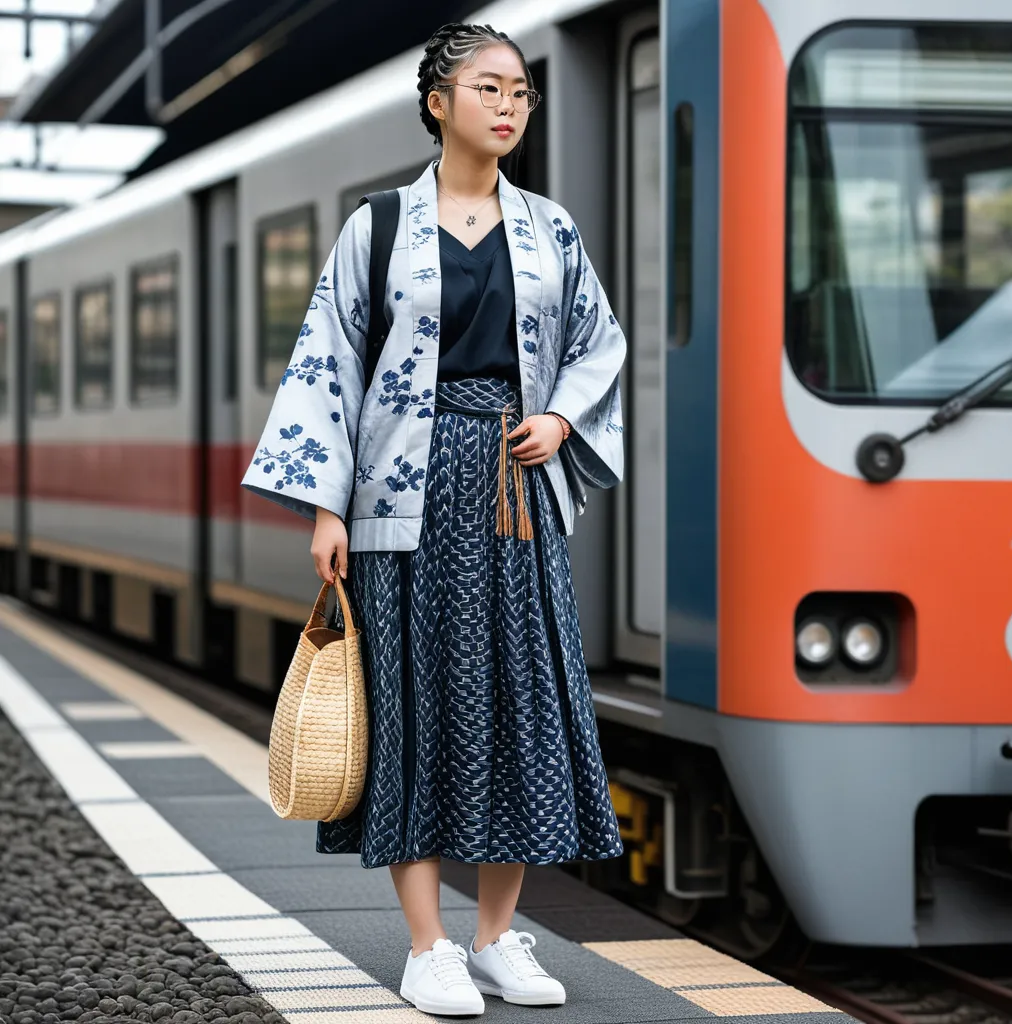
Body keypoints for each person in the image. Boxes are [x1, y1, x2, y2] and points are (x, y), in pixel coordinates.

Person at [241, 21, 627, 1018]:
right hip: (396, 503)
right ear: (437, 101)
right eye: (489, 88)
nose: (509, 106)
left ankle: (497, 938)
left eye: (522, 94)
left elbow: (601, 343)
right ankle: (427, 947)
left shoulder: (551, 229)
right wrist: (324, 504)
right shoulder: (376, 227)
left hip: (514, 495)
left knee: (519, 705)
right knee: (409, 710)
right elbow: (327, 363)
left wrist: (556, 415)